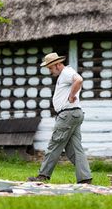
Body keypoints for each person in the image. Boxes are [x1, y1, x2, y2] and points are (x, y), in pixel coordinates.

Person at [28, 52, 93, 184]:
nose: (50, 71)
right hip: (74, 114)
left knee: (55, 144)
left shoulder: (66, 73)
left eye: (50, 68)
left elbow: (79, 80)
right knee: (74, 148)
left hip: (67, 115)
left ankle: (43, 176)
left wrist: (71, 96)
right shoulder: (65, 74)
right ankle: (85, 178)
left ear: (57, 65)